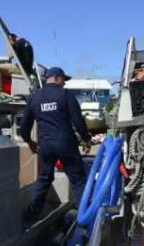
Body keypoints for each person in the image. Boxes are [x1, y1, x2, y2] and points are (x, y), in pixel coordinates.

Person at [20, 67, 91, 218]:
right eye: (64, 80)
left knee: (44, 177)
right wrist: (86, 139)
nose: (64, 83)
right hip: (66, 143)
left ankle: (32, 213)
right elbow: (78, 121)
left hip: (45, 145)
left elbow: (24, 126)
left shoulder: (34, 97)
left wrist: (29, 141)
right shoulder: (65, 95)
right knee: (77, 179)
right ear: (57, 77)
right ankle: (84, 217)